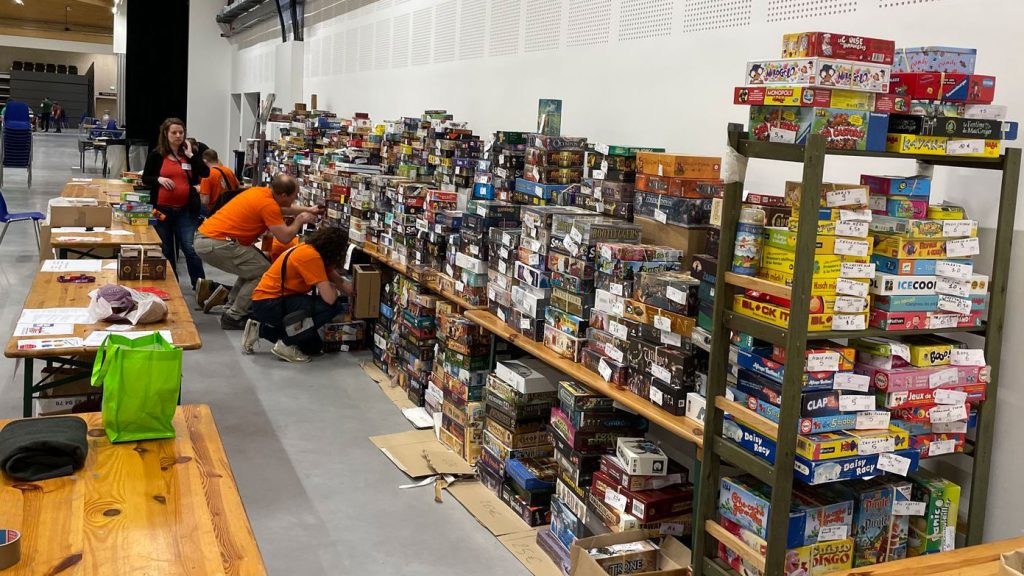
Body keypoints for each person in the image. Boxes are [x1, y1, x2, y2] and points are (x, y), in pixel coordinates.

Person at [194, 174, 318, 330]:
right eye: (295, 196)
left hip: (210, 239)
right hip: (217, 242)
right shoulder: (268, 205)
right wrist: (299, 220)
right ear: (284, 195)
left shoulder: (261, 193)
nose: (295, 199)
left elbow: (283, 208)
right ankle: (234, 315)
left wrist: (308, 210)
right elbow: (285, 236)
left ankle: (232, 307)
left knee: (252, 268)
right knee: (263, 271)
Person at [242, 227, 347, 363]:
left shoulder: (308, 249)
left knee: (313, 347)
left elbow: (339, 281)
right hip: (270, 303)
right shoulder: (311, 257)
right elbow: (330, 299)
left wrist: (356, 289)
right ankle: (285, 344)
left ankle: (260, 330)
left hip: (267, 301)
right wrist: (332, 287)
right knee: (333, 307)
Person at [141, 117, 210, 292]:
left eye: (181, 132)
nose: (178, 136)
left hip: (186, 210)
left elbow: (205, 172)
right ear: (166, 134)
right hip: (161, 210)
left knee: (190, 249)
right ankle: (172, 287)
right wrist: (159, 179)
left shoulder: (189, 154)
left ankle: (201, 287)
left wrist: (191, 156)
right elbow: (145, 179)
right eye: (174, 132)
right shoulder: (157, 155)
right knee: (167, 250)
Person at [198, 148, 239, 215]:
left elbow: (205, 201)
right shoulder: (228, 170)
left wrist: (199, 191)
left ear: (204, 161)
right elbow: (237, 185)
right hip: (230, 207)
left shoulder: (206, 175)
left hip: (215, 210)